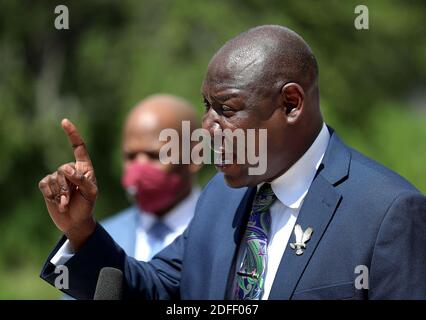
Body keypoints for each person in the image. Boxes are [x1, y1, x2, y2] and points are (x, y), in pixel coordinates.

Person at [38, 25, 426, 300]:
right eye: (207, 107)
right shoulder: (221, 198)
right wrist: (82, 232)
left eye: (226, 109)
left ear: (291, 104)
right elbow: (154, 289)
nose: (207, 128)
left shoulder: (386, 213)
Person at [102, 94, 201, 261]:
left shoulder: (228, 234)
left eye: (155, 156)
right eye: (131, 157)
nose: (139, 169)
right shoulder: (105, 240)